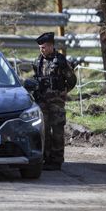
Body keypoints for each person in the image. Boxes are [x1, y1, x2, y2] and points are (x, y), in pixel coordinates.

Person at [32, 32, 77, 171]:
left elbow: (72, 80)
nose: (42, 50)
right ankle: (46, 158)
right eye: (40, 47)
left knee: (57, 131)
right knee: (43, 131)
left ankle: (57, 160)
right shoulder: (37, 61)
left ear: (51, 46)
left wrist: (65, 91)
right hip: (42, 102)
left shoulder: (61, 61)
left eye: (44, 47)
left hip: (56, 103)